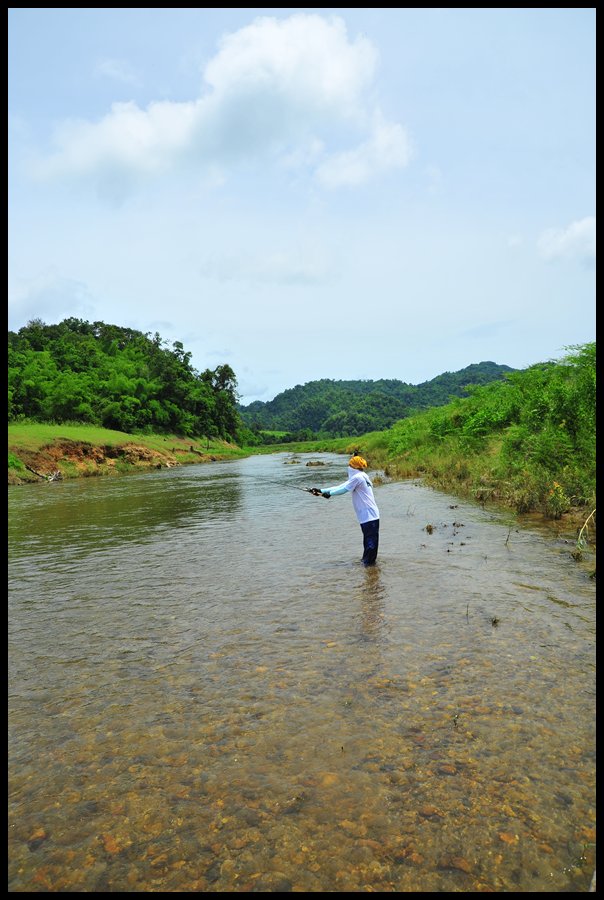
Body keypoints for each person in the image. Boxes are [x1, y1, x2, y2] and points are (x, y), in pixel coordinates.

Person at [311, 454, 380, 566]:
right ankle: (369, 568)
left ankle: (368, 569)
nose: (348, 466)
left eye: (350, 465)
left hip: (369, 515)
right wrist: (321, 490)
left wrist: (328, 494)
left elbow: (342, 490)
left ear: (353, 467)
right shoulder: (361, 476)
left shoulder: (357, 477)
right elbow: (340, 486)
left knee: (370, 544)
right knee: (369, 543)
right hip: (369, 515)